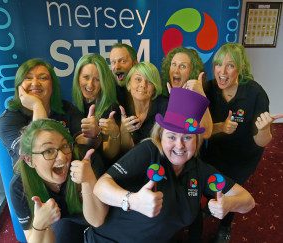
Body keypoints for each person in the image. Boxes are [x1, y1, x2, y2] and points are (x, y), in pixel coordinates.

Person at [84, 88, 255, 243]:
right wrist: (132, 200)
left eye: (187, 137)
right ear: (160, 136)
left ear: (197, 140)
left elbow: (248, 200)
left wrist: (229, 204)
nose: (179, 145)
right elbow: (101, 186)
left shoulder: (200, 171)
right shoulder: (149, 151)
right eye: (172, 137)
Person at [201, 43, 282, 242]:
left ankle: (225, 226)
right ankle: (210, 207)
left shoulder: (255, 94)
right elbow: (203, 128)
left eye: (230, 65)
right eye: (219, 64)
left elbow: (261, 141)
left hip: (242, 157)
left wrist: (264, 130)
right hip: (215, 150)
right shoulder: (209, 89)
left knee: (230, 192)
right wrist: (221, 126)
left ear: (240, 68)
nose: (222, 71)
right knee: (209, 183)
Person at [10, 119, 108, 243]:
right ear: (29, 160)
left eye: (65, 146)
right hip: (63, 233)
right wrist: (40, 225)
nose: (62, 157)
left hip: (99, 228)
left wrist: (88, 181)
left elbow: (97, 220)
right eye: (49, 151)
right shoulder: (19, 187)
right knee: (61, 227)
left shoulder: (86, 161)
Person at [0, 58, 84, 165]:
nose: (35, 83)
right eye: (28, 78)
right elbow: (35, 156)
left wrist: (94, 135)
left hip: (69, 173)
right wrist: (37, 105)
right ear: (19, 86)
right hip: (34, 180)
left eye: (43, 78)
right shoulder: (8, 120)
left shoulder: (66, 108)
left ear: (52, 85)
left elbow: (83, 143)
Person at [72, 53, 121, 161]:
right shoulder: (73, 105)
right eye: (86, 77)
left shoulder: (111, 109)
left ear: (104, 82)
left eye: (97, 79)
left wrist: (113, 132)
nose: (90, 85)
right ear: (78, 78)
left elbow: (109, 155)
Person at [161, 47, 212, 139]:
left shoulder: (198, 98)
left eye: (183, 66)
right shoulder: (161, 97)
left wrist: (200, 95)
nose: (176, 70)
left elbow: (205, 133)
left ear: (192, 71)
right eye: (173, 64)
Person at [118, 61, 168, 152]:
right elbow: (126, 150)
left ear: (154, 88)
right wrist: (124, 131)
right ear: (129, 84)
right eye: (138, 79)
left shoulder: (165, 106)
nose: (143, 85)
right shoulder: (122, 106)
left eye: (149, 81)